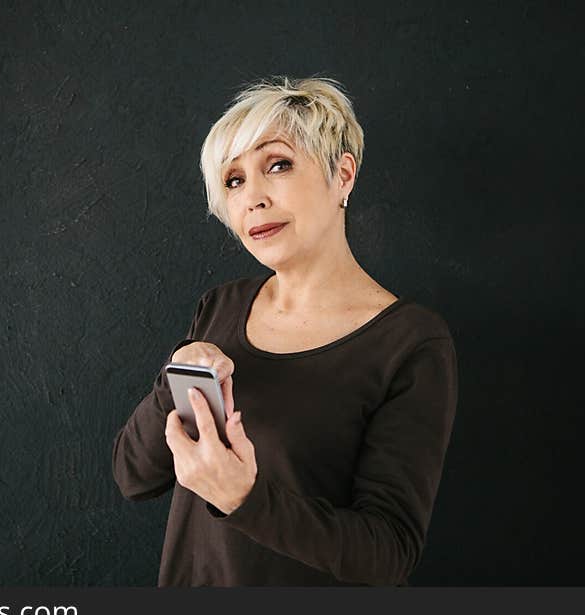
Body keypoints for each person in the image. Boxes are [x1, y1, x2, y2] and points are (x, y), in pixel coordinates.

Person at [112, 76, 459, 586]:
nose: (253, 197)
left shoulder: (410, 343)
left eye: (277, 165)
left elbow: (387, 554)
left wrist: (243, 499)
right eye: (233, 181)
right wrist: (176, 377)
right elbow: (134, 477)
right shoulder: (221, 308)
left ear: (342, 175)